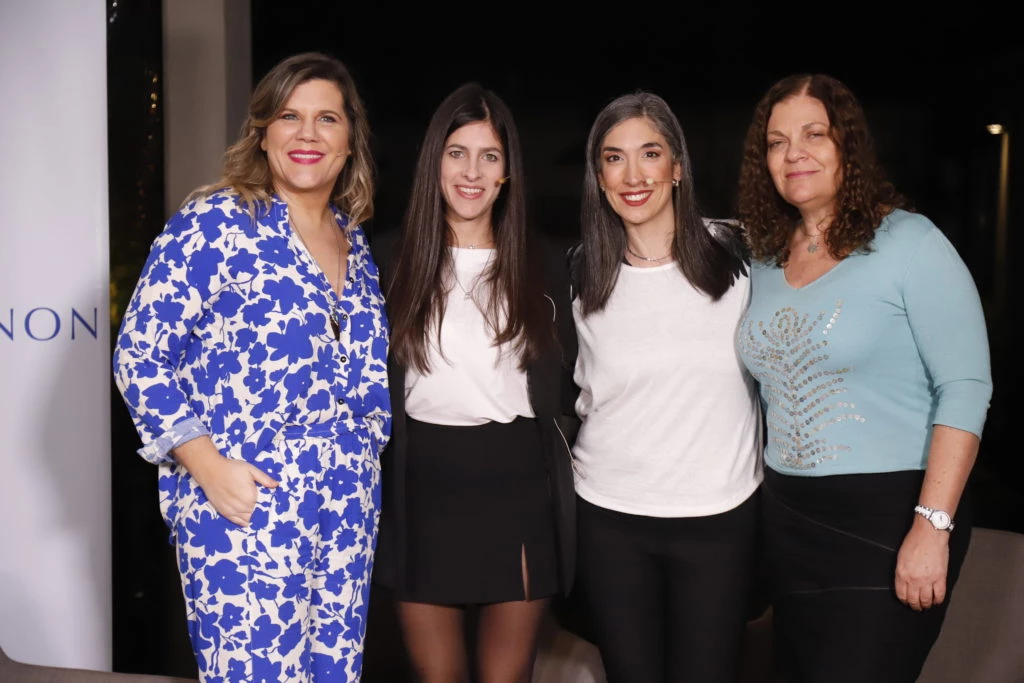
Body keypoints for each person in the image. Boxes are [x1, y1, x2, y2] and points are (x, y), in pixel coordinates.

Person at [112, 52, 391, 682]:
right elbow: (139, 353)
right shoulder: (215, 223)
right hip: (246, 503)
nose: (307, 133)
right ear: (262, 133)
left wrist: (363, 460)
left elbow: (364, 378)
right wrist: (207, 466)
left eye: (327, 118)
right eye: (289, 116)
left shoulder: (354, 239)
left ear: (350, 141)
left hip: (346, 508)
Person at [735, 73, 993, 683]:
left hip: (891, 518)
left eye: (814, 134)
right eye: (777, 142)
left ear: (847, 145)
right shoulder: (764, 258)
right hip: (790, 522)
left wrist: (932, 527)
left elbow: (967, 387)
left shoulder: (911, 242)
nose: (794, 153)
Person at [369, 82, 577, 683]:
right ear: (434, 161)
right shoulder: (387, 260)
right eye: (457, 153)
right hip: (419, 491)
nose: (471, 172)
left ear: (507, 172)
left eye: (489, 156)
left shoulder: (546, 264)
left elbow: (574, 384)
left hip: (518, 491)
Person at [567, 91, 761, 683]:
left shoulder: (740, 254)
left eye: (649, 153)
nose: (633, 175)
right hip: (608, 518)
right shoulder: (579, 271)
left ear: (677, 166)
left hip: (719, 517)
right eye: (614, 158)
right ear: (599, 177)